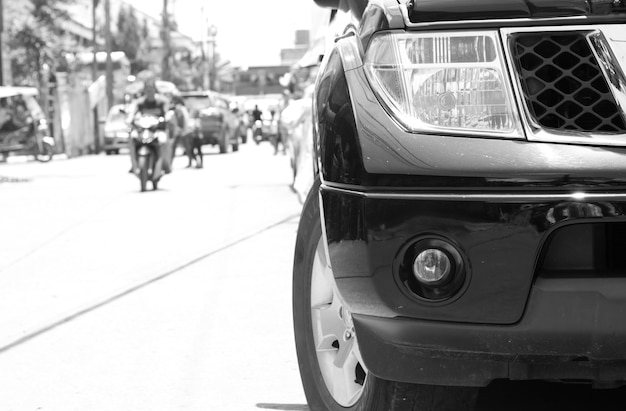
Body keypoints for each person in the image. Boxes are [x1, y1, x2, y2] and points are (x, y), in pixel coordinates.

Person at [127, 79, 170, 174]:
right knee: (132, 139)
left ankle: (165, 164)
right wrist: (129, 119)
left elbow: (167, 112)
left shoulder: (162, 101)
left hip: (158, 130)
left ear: (155, 90)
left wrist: (167, 118)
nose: (149, 91)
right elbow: (132, 113)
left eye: (151, 89)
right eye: (147, 89)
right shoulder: (140, 102)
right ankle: (134, 164)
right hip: (143, 131)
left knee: (163, 141)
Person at [170, 96, 202, 169]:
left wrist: (179, 129)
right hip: (185, 130)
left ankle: (171, 164)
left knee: (184, 148)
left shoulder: (179, 108)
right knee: (187, 148)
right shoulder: (183, 108)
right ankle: (192, 162)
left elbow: (181, 119)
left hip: (183, 131)